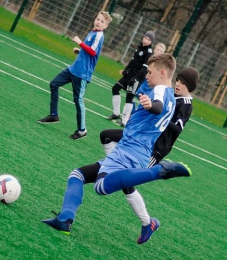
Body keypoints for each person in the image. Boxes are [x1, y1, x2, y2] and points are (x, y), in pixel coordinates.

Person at [42, 54, 191, 244]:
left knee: (101, 186)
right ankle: (65, 219)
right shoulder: (172, 96)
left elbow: (158, 106)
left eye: (150, 72)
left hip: (130, 149)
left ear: (162, 73)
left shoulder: (161, 90)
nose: (146, 75)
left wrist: (150, 105)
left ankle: (158, 172)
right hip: (138, 150)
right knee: (77, 175)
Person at [101, 67, 200, 166]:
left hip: (156, 149)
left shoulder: (186, 104)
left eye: (183, 83)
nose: (178, 84)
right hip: (142, 137)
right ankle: (113, 165)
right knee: (106, 135)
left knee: (133, 174)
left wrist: (164, 116)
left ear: (190, 86)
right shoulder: (171, 94)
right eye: (177, 80)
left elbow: (177, 128)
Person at [37, 11, 112, 140]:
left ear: (106, 26)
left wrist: (80, 43)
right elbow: (88, 50)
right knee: (54, 84)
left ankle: (82, 130)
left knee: (78, 100)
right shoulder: (93, 32)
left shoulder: (99, 35)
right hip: (73, 69)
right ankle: (53, 115)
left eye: (102, 21)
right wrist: (81, 51)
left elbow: (93, 52)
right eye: (97, 19)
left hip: (82, 74)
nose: (98, 22)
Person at [107, 31, 155, 127]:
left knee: (129, 97)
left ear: (151, 42)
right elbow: (133, 61)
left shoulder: (148, 52)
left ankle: (124, 121)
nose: (146, 40)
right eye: (145, 38)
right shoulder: (139, 47)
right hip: (129, 75)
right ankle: (116, 113)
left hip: (136, 78)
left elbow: (144, 68)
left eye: (149, 40)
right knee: (115, 88)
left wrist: (136, 78)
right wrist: (126, 70)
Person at [113, 42, 167, 127]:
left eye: (161, 51)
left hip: (150, 86)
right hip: (142, 82)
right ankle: (128, 118)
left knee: (143, 103)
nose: (158, 51)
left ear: (163, 53)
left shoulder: (162, 64)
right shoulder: (149, 58)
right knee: (131, 97)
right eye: (157, 49)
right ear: (154, 49)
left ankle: (136, 121)